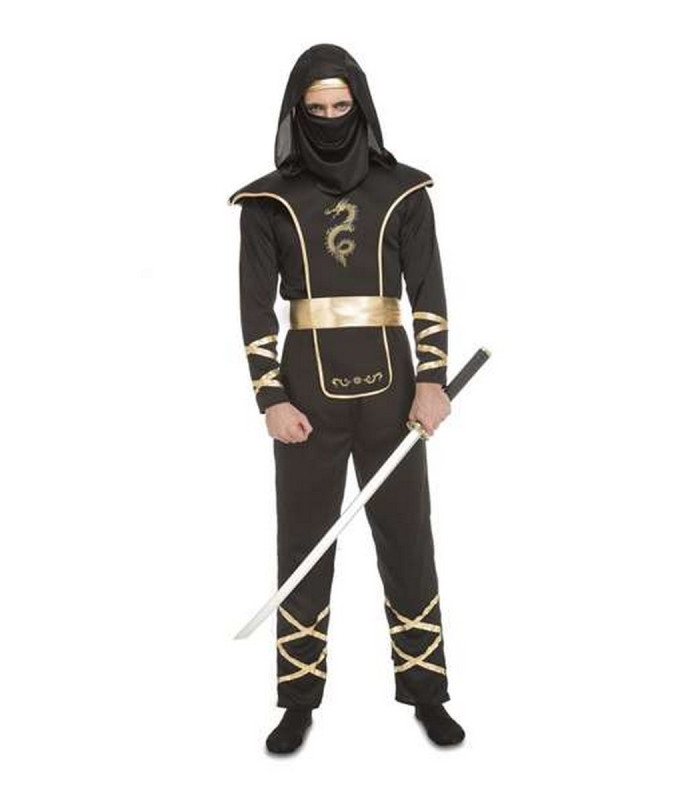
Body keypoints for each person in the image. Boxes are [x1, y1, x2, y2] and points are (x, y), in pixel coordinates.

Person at [228, 43, 465, 753]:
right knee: (303, 545)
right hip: (306, 395)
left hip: (396, 393)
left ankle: (427, 691)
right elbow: (253, 309)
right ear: (296, 111)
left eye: (341, 106)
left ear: (359, 106)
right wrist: (270, 397)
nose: (330, 118)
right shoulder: (268, 202)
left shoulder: (404, 191)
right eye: (317, 108)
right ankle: (298, 701)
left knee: (408, 538)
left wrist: (432, 380)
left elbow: (427, 290)